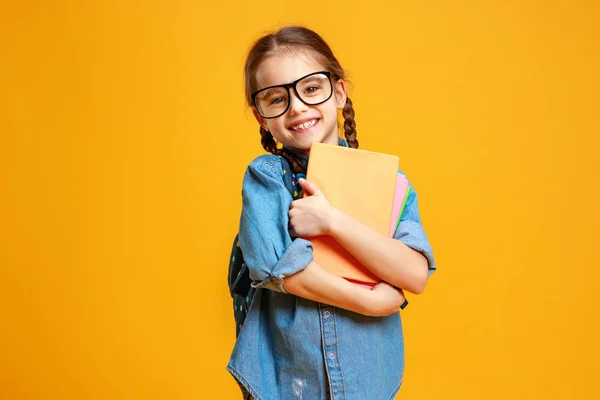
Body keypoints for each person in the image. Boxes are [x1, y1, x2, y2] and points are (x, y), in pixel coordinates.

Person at [227, 26, 436, 400]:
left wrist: (331, 222)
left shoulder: (387, 181)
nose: (297, 108)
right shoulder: (267, 178)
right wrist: (371, 301)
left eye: (310, 89)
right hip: (286, 378)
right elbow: (278, 269)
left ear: (338, 92)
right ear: (262, 116)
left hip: (367, 376)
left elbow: (415, 273)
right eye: (277, 98)